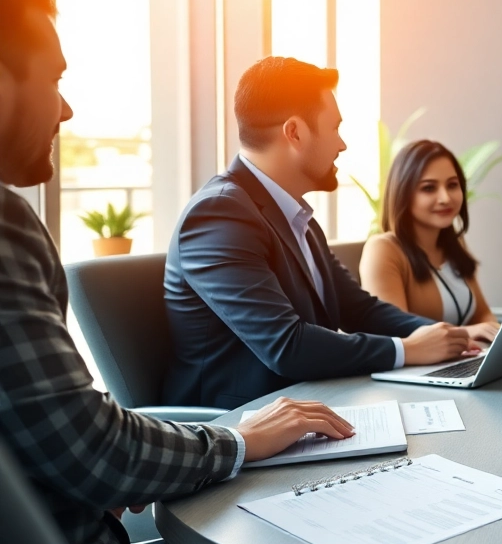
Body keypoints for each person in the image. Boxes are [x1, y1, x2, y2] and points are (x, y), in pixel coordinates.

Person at [0, 0, 351, 544]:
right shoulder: (5, 224)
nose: (67, 108)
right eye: (55, 79)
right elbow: (93, 453)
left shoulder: (297, 214)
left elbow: (46, 437)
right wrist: (237, 441)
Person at [164, 57, 474, 409]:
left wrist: (450, 338)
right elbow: (286, 346)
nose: (341, 145)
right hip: (239, 424)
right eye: (335, 128)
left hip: (310, 404)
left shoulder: (300, 220)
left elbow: (359, 309)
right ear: (295, 132)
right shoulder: (219, 214)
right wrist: (407, 350)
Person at [361, 139, 498, 341]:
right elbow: (394, 332)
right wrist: (466, 333)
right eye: (429, 188)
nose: (445, 198)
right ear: (403, 193)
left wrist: (494, 332)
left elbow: (482, 314)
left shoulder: (453, 244)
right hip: (415, 369)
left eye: (452, 185)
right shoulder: (383, 249)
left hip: (460, 359)